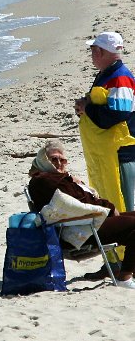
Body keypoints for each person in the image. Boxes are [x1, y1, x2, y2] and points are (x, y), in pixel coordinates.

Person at [28, 139, 135, 288]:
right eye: (54, 159)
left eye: (62, 159)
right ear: (43, 160)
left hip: (87, 222)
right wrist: (109, 207)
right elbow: (80, 202)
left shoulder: (59, 178)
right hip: (77, 230)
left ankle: (128, 270)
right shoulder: (44, 180)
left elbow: (83, 200)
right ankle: (124, 277)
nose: (59, 163)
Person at [75, 31, 135, 212]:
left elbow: (117, 114)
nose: (92, 55)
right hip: (106, 154)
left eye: (93, 50)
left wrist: (88, 108)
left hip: (120, 155)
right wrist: (85, 105)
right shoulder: (107, 74)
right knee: (109, 202)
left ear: (100, 52)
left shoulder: (120, 77)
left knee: (124, 206)